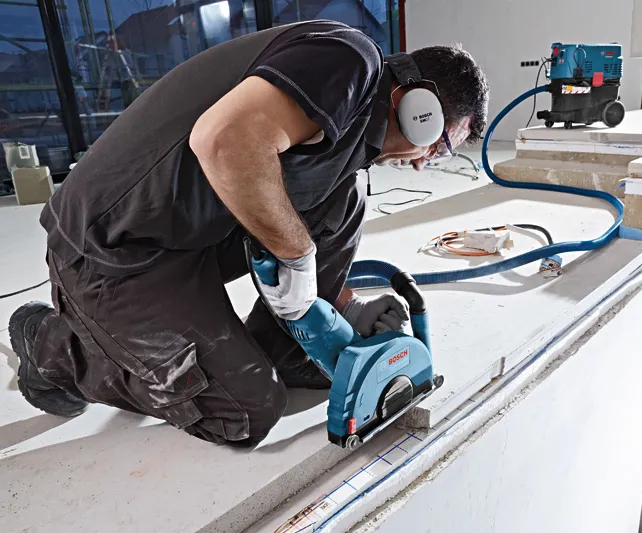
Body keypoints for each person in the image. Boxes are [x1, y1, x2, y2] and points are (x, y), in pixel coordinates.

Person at [9, 20, 489, 446]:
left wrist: (343, 307)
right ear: (419, 106)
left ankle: (285, 350)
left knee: (344, 200)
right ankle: (52, 348)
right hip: (112, 247)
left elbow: (311, 213)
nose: (428, 161)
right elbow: (223, 140)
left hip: (186, 238)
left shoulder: (350, 134)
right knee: (244, 411)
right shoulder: (350, 59)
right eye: (441, 142)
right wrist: (297, 252)